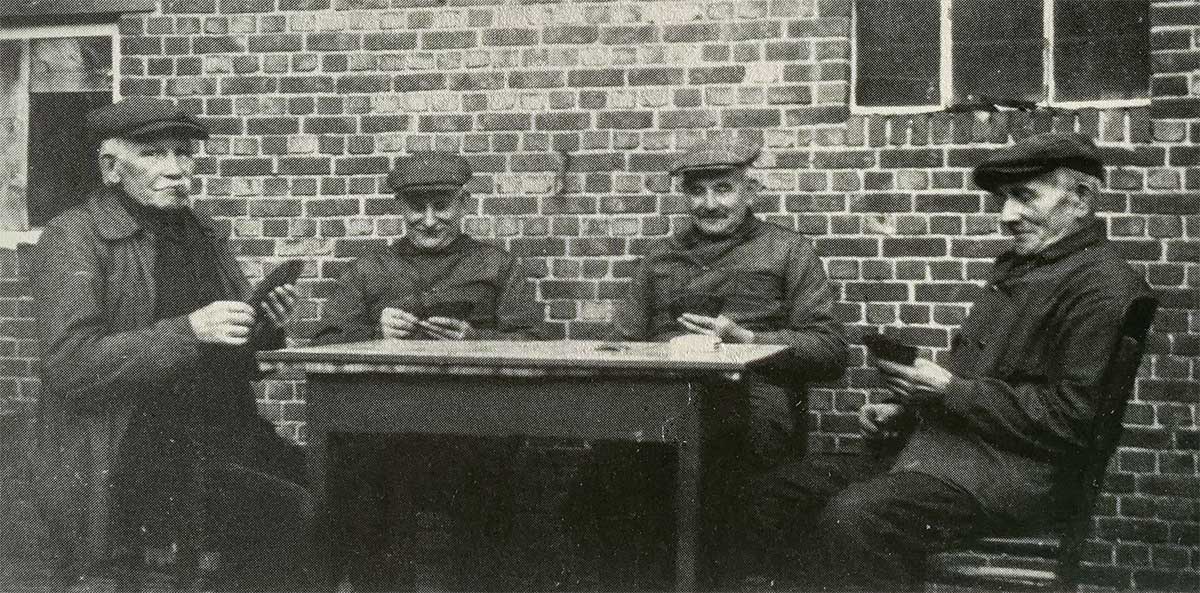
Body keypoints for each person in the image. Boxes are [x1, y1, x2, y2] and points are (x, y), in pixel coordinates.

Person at [744, 132, 1153, 591]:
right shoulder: (1025, 266)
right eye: (1003, 199)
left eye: (1024, 197)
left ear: (1080, 200)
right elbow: (988, 382)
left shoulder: (1102, 287)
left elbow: (1073, 418)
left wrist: (947, 391)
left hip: (1012, 480)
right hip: (944, 459)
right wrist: (909, 408)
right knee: (778, 493)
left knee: (857, 518)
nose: (1007, 215)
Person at [31, 96, 311, 592]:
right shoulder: (74, 237)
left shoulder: (203, 235)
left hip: (223, 427)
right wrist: (189, 331)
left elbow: (228, 346)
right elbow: (69, 365)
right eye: (155, 154)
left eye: (183, 153)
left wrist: (263, 325)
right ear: (111, 167)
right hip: (133, 445)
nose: (176, 170)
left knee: (329, 485)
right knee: (290, 512)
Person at [569, 137, 847, 589]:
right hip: (664, 402)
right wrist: (660, 355)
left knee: (717, 508)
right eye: (697, 192)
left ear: (750, 191)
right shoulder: (659, 258)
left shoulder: (788, 251)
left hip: (753, 405)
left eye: (723, 189)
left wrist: (746, 339)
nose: (710, 203)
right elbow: (621, 342)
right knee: (596, 489)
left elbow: (830, 350)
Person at [311, 151, 542, 591]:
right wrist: (373, 330)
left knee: (492, 503)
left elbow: (532, 340)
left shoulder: (497, 266)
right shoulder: (369, 270)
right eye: (418, 207)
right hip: (387, 430)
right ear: (401, 208)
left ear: (464, 203)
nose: (430, 219)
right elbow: (323, 340)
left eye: (443, 206)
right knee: (366, 494)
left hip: (474, 429)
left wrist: (474, 340)